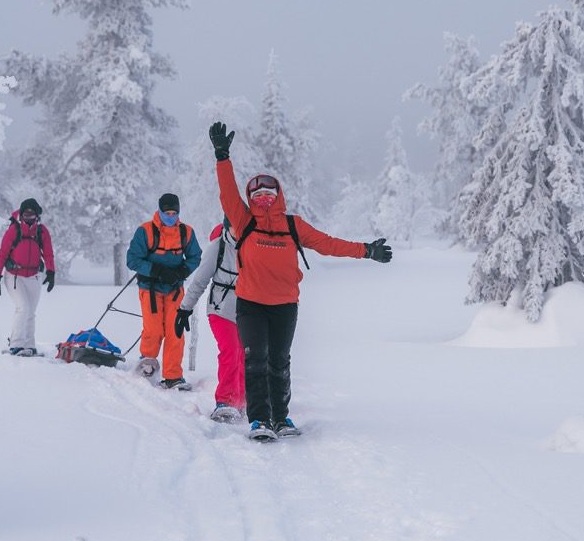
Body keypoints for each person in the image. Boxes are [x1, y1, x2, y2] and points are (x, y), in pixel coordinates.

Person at [208, 122, 392, 441]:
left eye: (269, 194)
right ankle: (259, 420)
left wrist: (366, 250)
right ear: (251, 198)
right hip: (250, 305)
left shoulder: (293, 226)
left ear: (278, 196)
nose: (263, 199)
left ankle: (281, 419)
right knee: (255, 361)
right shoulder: (243, 221)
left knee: (279, 362)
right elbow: (228, 194)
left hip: (284, 306)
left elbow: (328, 243)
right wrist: (222, 157)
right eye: (257, 195)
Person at [125, 193, 202, 389]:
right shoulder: (145, 231)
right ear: (159, 211)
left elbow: (195, 257)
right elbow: (132, 260)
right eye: (167, 213)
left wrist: (181, 271)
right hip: (150, 289)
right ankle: (147, 365)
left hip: (175, 290)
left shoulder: (186, 232)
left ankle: (173, 376)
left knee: (175, 331)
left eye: (174, 213)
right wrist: (157, 271)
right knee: (153, 329)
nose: (171, 216)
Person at [176, 219, 245, 422]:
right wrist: (185, 308)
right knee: (231, 351)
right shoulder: (217, 247)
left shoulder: (252, 243)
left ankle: (242, 400)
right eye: (234, 226)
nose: (238, 230)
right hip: (220, 309)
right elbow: (200, 281)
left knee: (245, 356)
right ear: (227, 226)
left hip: (248, 311)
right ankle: (225, 402)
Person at [0, 198, 55, 356]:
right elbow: (2, 254)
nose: (28, 218)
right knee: (23, 308)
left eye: (31, 215)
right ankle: (16, 345)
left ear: (37, 216)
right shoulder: (14, 230)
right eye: (25, 214)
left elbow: (48, 253)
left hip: (34, 276)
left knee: (31, 312)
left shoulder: (41, 232)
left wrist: (51, 272)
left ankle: (29, 345)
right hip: (14, 276)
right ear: (21, 214)